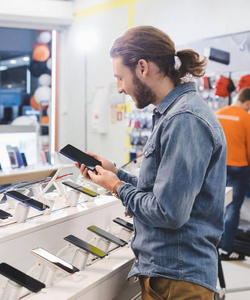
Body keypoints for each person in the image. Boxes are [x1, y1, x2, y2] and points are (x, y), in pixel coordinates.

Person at [76, 26, 227, 299]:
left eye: (120, 78)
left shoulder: (184, 120)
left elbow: (169, 212)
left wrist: (117, 187)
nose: (120, 88)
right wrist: (115, 173)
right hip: (169, 274)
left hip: (177, 277)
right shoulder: (173, 115)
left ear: (143, 67)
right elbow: (163, 189)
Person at [215, 87, 250, 260]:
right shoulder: (246, 118)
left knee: (216, 206)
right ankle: (227, 250)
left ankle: (212, 245)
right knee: (233, 208)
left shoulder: (218, 113)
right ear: (248, 103)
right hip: (239, 168)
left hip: (218, 166)